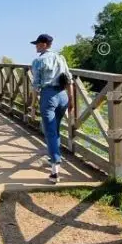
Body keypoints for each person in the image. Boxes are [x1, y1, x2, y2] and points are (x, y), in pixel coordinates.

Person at [29, 33, 73, 183]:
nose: (35, 46)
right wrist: (71, 99)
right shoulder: (61, 58)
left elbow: (35, 86)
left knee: (49, 132)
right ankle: (54, 158)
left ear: (44, 45)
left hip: (48, 96)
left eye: (37, 44)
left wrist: (33, 105)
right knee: (56, 130)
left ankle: (55, 171)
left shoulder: (38, 61)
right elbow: (69, 80)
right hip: (63, 96)